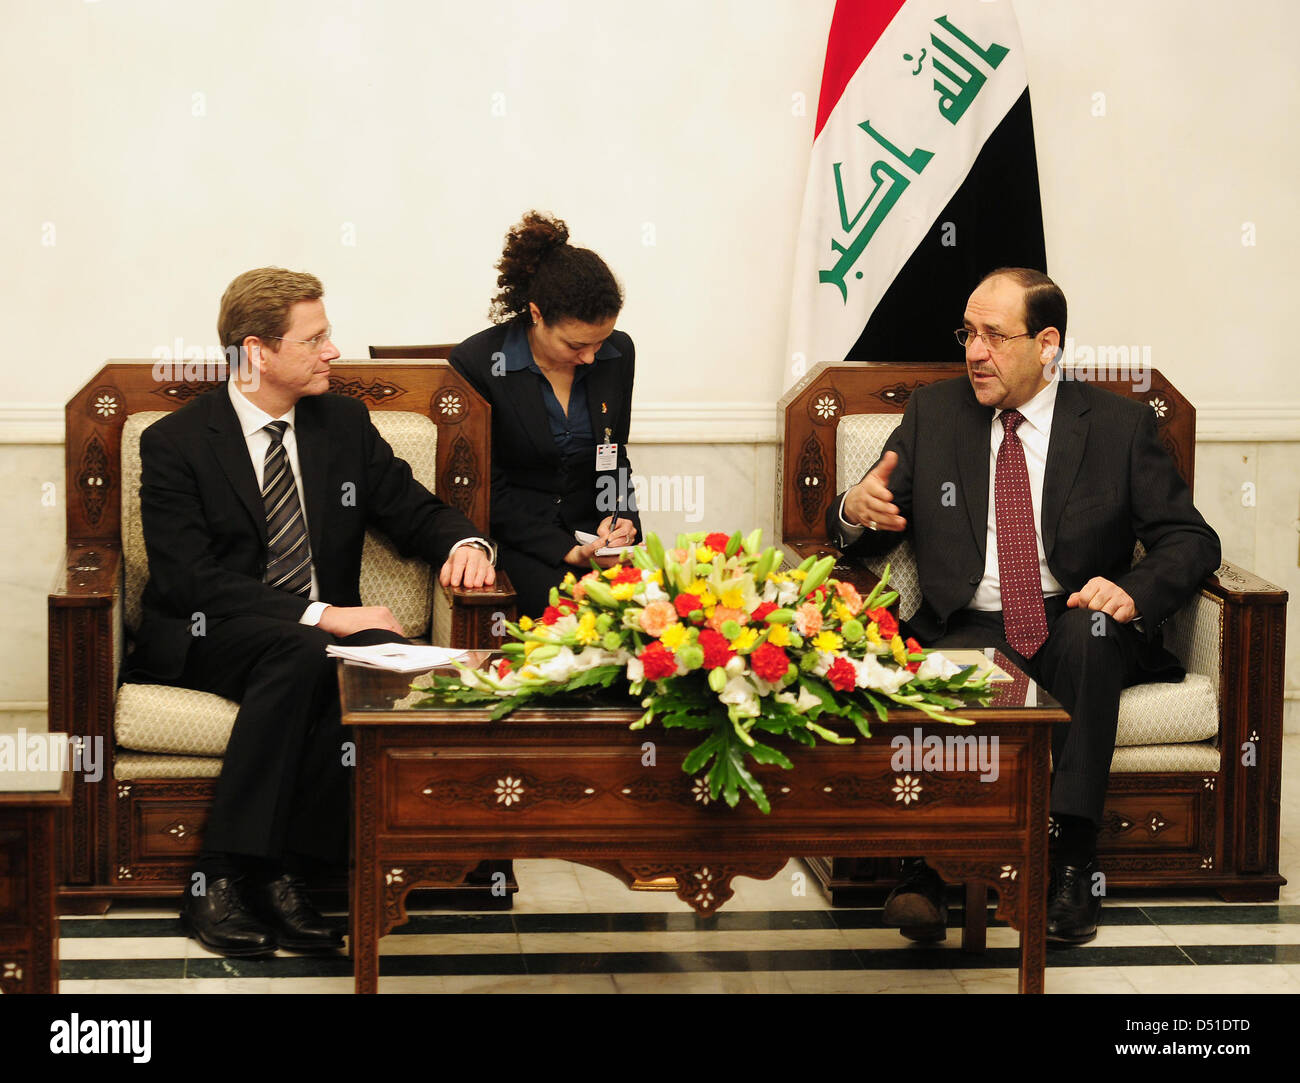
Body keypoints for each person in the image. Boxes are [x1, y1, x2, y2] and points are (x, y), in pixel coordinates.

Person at [828, 268, 1220, 946]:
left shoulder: (1116, 426)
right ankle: (928, 866)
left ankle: (1071, 859)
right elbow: (863, 522)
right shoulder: (934, 414)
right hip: (972, 622)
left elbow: (1191, 539)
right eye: (968, 334)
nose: (974, 351)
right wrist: (852, 510)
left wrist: (1133, 590)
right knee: (946, 664)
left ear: (1047, 344)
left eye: (993, 336)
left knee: (1094, 634)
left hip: (1071, 612)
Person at [127, 267, 496, 958]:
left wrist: (467, 542)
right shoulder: (176, 441)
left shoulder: (342, 425)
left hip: (301, 643)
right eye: (316, 338)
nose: (333, 352)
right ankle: (221, 874)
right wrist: (324, 613)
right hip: (209, 631)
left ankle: (281, 871)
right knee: (309, 650)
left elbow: (410, 508)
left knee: (379, 657)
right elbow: (187, 580)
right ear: (257, 351)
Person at [450, 211, 640, 617]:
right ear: (536, 314)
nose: (591, 357)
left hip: (598, 536)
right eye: (576, 345)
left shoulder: (619, 352)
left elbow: (614, 455)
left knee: (656, 613)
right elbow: (484, 486)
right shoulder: (479, 362)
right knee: (577, 615)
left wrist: (621, 516)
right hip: (522, 538)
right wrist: (568, 551)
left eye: (600, 341)